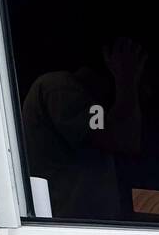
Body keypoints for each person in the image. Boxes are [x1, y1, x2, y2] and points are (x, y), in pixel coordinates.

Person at [21, 37, 147, 220]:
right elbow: (123, 138)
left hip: (83, 224)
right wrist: (127, 81)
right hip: (71, 224)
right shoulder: (60, 88)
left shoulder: (76, 97)